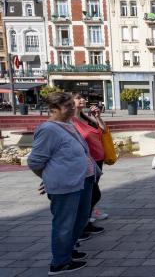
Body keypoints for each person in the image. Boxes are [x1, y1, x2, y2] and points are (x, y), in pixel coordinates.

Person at [28, 92, 96, 275]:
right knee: (64, 224)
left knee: (80, 220)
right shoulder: (48, 129)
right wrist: (47, 177)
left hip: (83, 180)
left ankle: (68, 251)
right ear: (53, 109)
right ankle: (59, 263)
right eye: (68, 106)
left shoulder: (69, 124)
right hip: (66, 185)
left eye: (72, 105)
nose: (73, 108)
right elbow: (35, 162)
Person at [70, 94, 107, 240]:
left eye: (82, 98)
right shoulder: (70, 121)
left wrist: (97, 116)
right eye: (78, 98)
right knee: (92, 194)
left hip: (97, 160)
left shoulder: (86, 117)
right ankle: (80, 226)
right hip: (85, 162)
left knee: (91, 194)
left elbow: (103, 130)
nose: (83, 100)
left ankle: (86, 222)